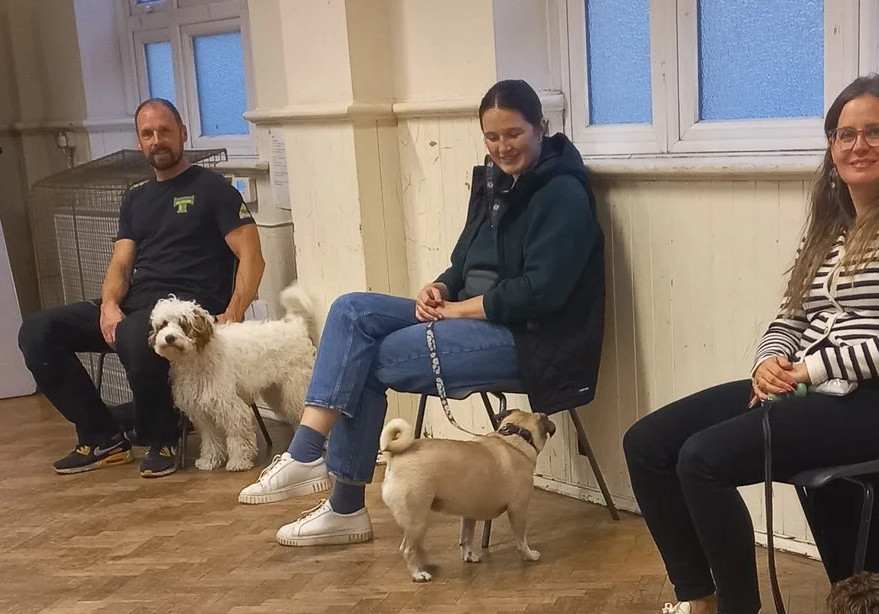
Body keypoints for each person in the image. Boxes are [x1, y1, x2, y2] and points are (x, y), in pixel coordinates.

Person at [613, 75, 879, 614]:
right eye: (844, 134)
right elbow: (793, 315)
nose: (858, 145)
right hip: (812, 387)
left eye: (874, 132)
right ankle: (698, 603)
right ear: (831, 147)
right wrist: (769, 362)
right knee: (647, 443)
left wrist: (810, 366)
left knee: (703, 458)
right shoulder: (833, 225)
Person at [237, 79, 605, 548]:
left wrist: (455, 311)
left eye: (513, 134)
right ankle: (309, 452)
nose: (501, 147)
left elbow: (540, 293)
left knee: (369, 357)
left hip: (533, 340)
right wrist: (440, 287)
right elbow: (465, 262)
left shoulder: (562, 194)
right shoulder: (494, 183)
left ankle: (344, 504)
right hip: (472, 320)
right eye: (491, 137)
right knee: (353, 312)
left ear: (541, 127)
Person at [17, 99, 263, 477]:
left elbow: (252, 258)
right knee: (38, 330)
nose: (157, 140)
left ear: (182, 134)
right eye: (147, 134)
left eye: (165, 131)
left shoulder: (214, 190)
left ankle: (161, 436)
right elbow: (121, 263)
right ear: (139, 142)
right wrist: (109, 306)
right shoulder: (136, 198)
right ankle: (103, 436)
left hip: (187, 313)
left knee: (136, 334)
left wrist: (234, 311)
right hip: (137, 306)